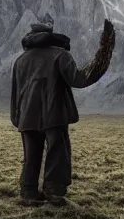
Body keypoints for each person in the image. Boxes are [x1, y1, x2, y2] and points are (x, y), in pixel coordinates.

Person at [10, 13, 114, 207]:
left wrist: (17, 119)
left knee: (31, 155)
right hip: (55, 115)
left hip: (26, 117)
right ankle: (54, 192)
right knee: (58, 153)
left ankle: (28, 192)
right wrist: (104, 53)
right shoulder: (60, 55)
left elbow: (16, 94)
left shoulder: (20, 61)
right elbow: (80, 79)